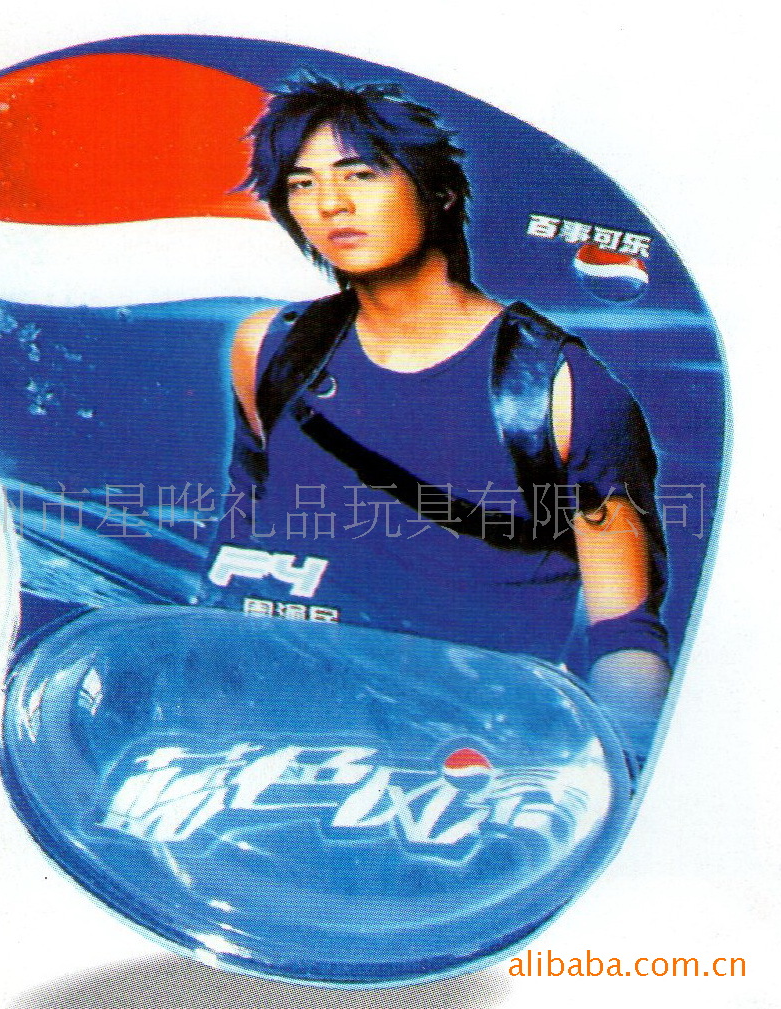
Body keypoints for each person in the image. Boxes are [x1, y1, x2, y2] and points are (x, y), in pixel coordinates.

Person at [205, 76, 669, 758]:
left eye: (361, 174)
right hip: (279, 728)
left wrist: (617, 776)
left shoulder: (557, 389)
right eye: (302, 184)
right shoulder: (269, 349)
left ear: (440, 191)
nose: (330, 204)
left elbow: (624, 634)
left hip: (472, 752)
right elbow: (237, 551)